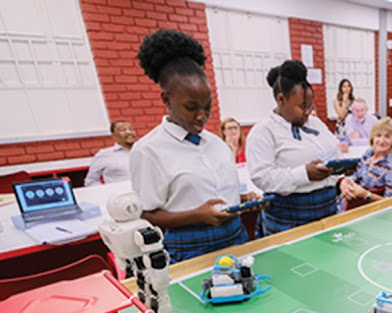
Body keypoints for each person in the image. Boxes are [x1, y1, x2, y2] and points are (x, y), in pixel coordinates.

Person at [130, 29, 249, 263]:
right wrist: (197, 215)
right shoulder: (148, 150)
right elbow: (146, 214)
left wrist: (242, 199)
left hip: (235, 235)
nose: (201, 116)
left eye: (208, 106)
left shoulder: (217, 144)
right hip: (189, 247)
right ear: (166, 100)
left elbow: (213, 192)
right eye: (191, 107)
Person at [245, 60, 343, 237]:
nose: (308, 112)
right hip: (290, 218)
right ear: (281, 99)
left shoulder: (316, 124)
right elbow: (263, 177)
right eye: (302, 107)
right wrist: (304, 174)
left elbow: (332, 152)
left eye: (310, 106)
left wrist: (341, 169)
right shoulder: (263, 132)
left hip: (327, 209)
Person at [340, 117, 392, 206]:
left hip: (362, 210)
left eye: (387, 137)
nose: (381, 141)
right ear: (373, 137)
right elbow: (356, 176)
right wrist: (344, 182)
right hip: (342, 203)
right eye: (378, 135)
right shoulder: (368, 154)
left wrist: (366, 195)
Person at [84, 120, 136, 186]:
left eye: (131, 129)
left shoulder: (142, 151)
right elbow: (91, 181)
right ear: (114, 136)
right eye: (123, 130)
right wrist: (106, 193)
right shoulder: (104, 155)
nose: (129, 132)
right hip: (120, 194)